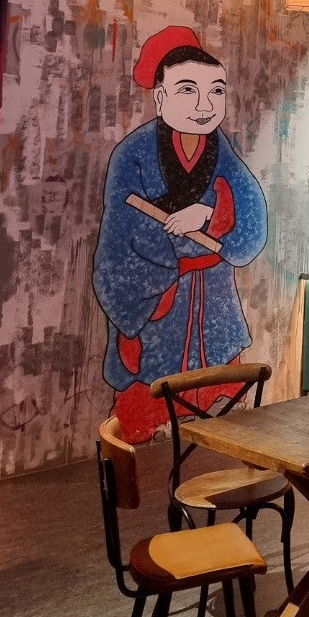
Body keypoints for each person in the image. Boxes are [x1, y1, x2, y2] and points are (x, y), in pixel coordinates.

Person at [92, 26, 268, 441]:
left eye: (216, 91)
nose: (205, 106)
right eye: (188, 90)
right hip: (161, 294)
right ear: (160, 98)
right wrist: (167, 262)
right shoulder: (131, 154)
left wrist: (208, 214)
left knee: (220, 379)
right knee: (154, 379)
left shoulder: (220, 150)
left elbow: (251, 212)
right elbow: (121, 234)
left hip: (213, 290)